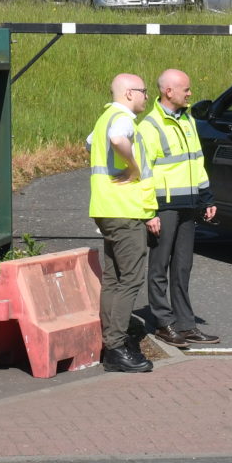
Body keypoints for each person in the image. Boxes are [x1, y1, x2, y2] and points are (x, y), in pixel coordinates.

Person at [136, 68, 218, 348]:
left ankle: (186, 324)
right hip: (164, 207)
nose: (190, 93)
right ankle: (163, 323)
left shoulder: (187, 120)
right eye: (185, 88)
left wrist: (206, 198)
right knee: (160, 266)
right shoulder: (149, 126)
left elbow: (196, 161)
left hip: (189, 204)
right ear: (168, 91)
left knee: (183, 266)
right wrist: (149, 212)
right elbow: (143, 173)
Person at [88, 73, 161, 373]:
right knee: (130, 279)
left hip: (106, 208)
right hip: (124, 209)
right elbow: (117, 140)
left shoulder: (104, 117)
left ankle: (111, 342)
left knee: (114, 278)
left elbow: (91, 143)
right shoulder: (122, 120)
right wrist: (131, 167)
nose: (147, 96)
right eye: (143, 91)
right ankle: (117, 347)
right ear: (130, 93)